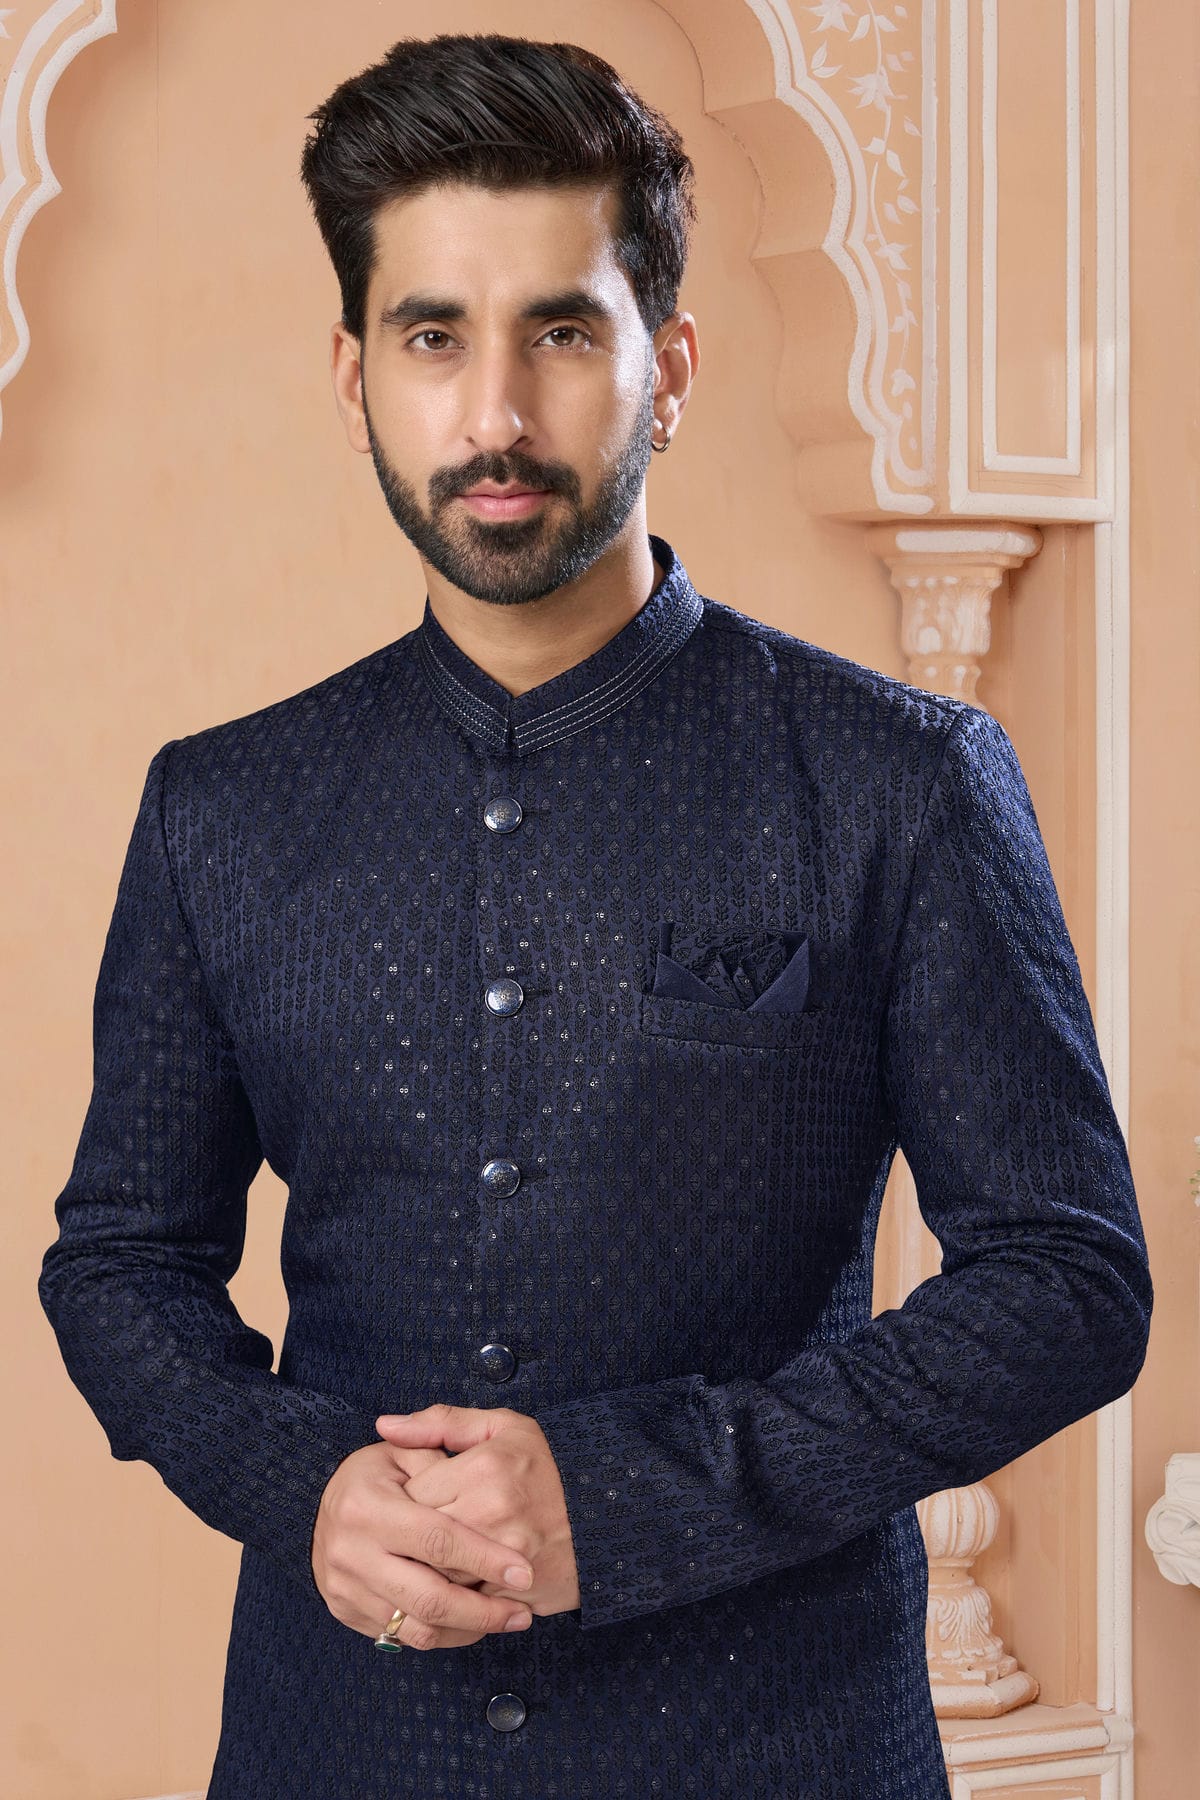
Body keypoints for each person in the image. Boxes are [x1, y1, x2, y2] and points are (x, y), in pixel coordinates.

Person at [38, 30, 1153, 1800]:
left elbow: (1070, 1280)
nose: (495, 417)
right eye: (432, 338)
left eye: (561, 333)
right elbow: (121, 1263)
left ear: (669, 366)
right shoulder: (221, 811)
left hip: (778, 1750)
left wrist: (632, 1500)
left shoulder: (903, 780)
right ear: (352, 376)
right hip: (342, 1750)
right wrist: (297, 1481)